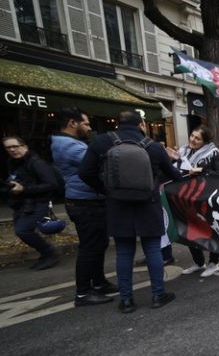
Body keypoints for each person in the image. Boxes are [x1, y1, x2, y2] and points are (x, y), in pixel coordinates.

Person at [79, 109, 191, 313]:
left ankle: (127, 300)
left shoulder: (102, 142)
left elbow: (85, 172)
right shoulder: (154, 147)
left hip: (117, 204)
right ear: (141, 125)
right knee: (152, 249)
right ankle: (158, 294)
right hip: (148, 204)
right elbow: (174, 175)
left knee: (124, 252)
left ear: (117, 124)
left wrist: (107, 189)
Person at [51, 107, 117, 305]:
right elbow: (103, 164)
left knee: (99, 244)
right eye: (86, 123)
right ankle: (83, 293)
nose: (89, 128)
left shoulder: (68, 143)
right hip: (84, 202)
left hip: (88, 200)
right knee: (90, 247)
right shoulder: (71, 146)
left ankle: (98, 283)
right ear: (73, 123)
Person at [167, 125, 219, 278]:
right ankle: (198, 262)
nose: (193, 140)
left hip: (206, 200)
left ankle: (213, 263)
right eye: (192, 136)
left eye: (197, 138)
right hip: (187, 199)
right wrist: (174, 159)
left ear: (205, 141)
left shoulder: (214, 154)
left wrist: (203, 171)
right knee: (190, 230)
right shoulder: (183, 151)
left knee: (211, 231)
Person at [3, 136, 60, 270]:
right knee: (21, 231)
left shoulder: (36, 163)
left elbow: (52, 185)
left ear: (24, 146)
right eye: (8, 147)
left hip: (38, 203)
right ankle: (46, 254)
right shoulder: (13, 162)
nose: (12, 150)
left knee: (23, 230)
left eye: (15, 146)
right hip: (21, 204)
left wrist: (24, 189)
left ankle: (50, 253)